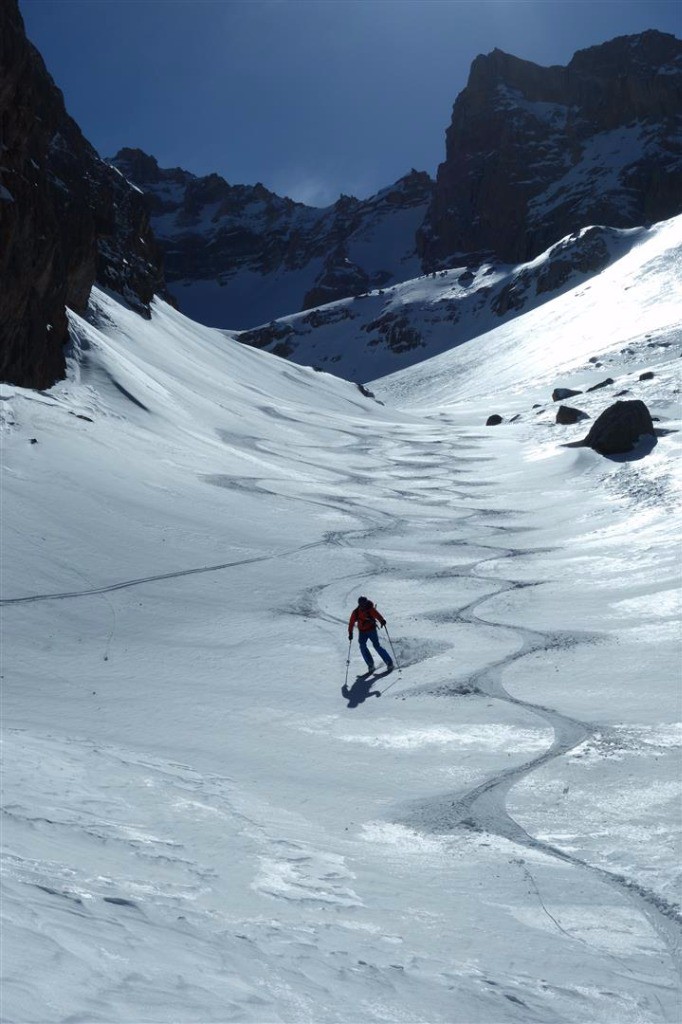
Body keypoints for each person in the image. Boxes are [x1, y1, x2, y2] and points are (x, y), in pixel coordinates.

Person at [348, 596, 393, 673]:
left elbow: (377, 615)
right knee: (362, 646)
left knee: (376, 646)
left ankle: (389, 662)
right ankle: (370, 665)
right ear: (359, 604)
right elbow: (351, 623)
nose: (363, 606)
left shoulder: (370, 609)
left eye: (364, 604)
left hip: (371, 630)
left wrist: (382, 620)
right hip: (362, 632)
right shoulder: (356, 612)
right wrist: (350, 633)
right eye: (361, 604)